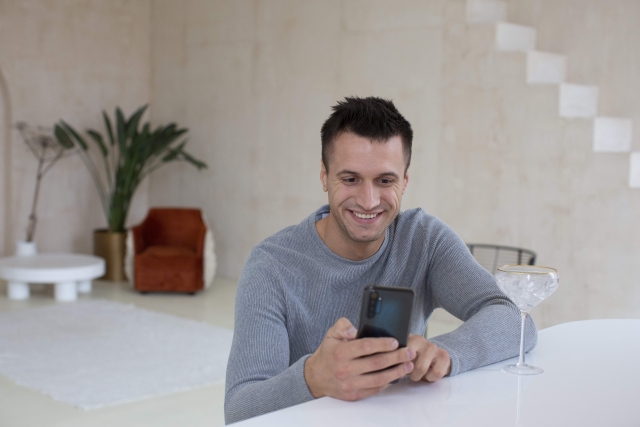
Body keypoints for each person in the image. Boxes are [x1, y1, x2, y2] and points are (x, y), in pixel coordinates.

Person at [224, 97, 536, 424]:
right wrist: (313, 377)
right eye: (350, 179)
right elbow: (238, 410)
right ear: (324, 176)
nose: (368, 201)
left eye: (385, 181)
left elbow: (516, 318)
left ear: (405, 181)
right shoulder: (271, 266)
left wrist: (446, 353)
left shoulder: (424, 239)